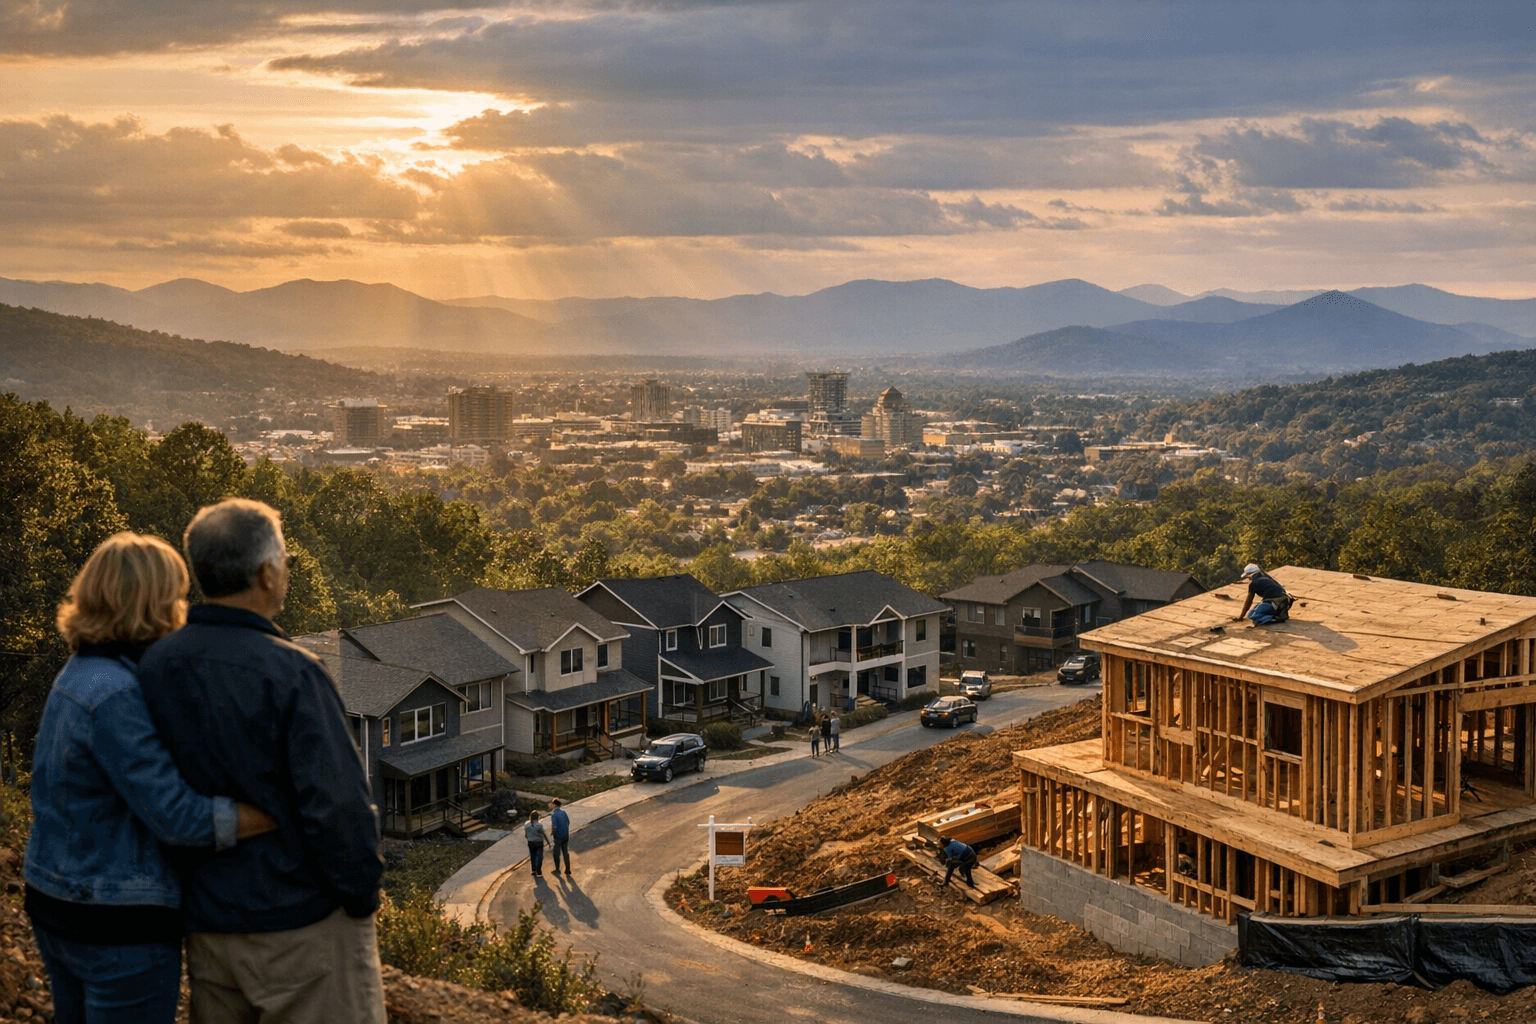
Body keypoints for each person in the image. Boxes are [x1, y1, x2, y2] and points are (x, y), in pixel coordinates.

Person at [137, 499, 386, 1024]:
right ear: (267, 573)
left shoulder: (156, 665)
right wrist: (361, 895)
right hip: (300, 930)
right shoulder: (293, 673)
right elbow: (339, 806)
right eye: (286, 560)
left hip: (208, 928)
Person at [24, 532, 276, 1024]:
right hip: (115, 919)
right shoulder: (117, 693)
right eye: (177, 596)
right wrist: (273, 813)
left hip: (55, 899)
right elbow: (178, 818)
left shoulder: (79, 672)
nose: (182, 609)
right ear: (152, 604)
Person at [548, 799, 571, 876]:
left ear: (555, 805)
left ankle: (557, 870)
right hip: (566, 835)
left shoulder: (554, 814)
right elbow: (568, 822)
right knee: (565, 852)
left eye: (552, 804)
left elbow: (554, 827)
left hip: (558, 836)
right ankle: (567, 869)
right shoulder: (564, 812)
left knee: (556, 853)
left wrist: (552, 833)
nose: (551, 805)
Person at [525, 810, 548, 877]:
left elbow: (526, 835)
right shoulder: (539, 825)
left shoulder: (527, 824)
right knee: (539, 856)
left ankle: (533, 870)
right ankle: (539, 872)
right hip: (539, 842)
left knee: (533, 856)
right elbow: (543, 834)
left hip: (530, 842)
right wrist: (548, 842)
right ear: (537, 817)